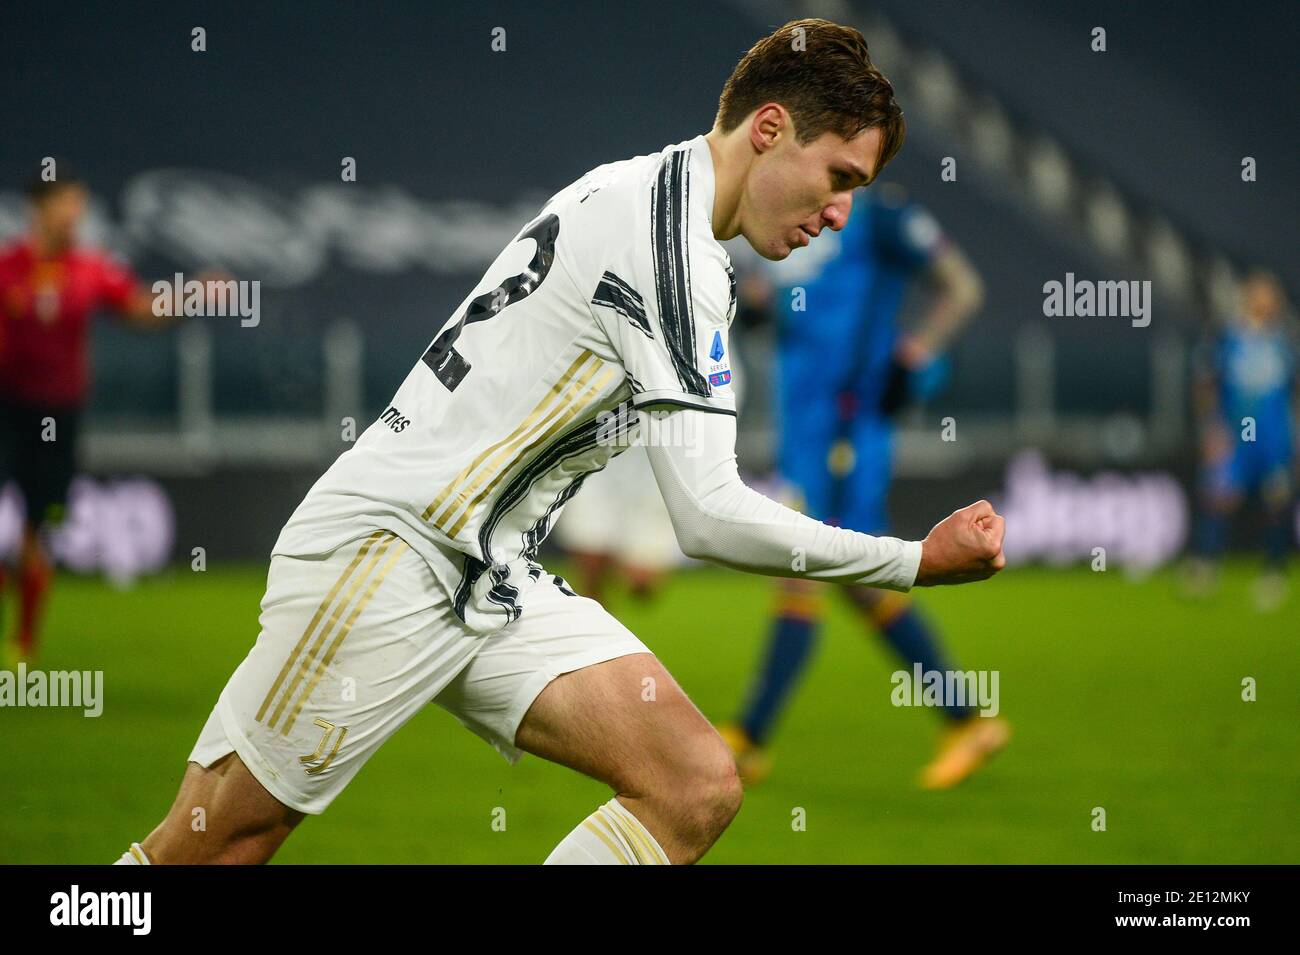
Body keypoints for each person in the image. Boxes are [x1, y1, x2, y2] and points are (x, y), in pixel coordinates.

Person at [116, 18, 1005, 867]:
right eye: (840, 176)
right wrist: (913, 560)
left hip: (487, 573)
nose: (844, 212)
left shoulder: (655, 201)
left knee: (692, 783)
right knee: (215, 842)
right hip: (392, 555)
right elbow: (709, 516)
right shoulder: (669, 249)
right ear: (770, 129)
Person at [716, 184, 1009, 790]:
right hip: (806, 423)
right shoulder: (798, 209)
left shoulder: (882, 216)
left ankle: (749, 737)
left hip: (848, 426)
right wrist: (759, 306)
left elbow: (963, 286)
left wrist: (913, 358)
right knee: (853, 578)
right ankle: (964, 719)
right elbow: (780, 307)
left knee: (805, 563)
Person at [0, 169, 177, 665]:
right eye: (67, 204)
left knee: (42, 526)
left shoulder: (90, 268)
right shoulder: (8, 268)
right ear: (40, 209)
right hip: (7, 408)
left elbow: (140, 309)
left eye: (79, 205)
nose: (75, 215)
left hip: (59, 413)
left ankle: (22, 644)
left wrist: (189, 297)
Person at [1187, 271, 1295, 611]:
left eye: (1270, 295)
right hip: (1236, 435)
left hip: (1274, 437)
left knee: (1276, 501)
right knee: (1219, 497)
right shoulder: (1228, 339)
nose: (1265, 301)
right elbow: (1205, 383)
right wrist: (1211, 426)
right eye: (1260, 294)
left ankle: (1274, 572)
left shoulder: (1284, 343)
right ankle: (1205, 566)